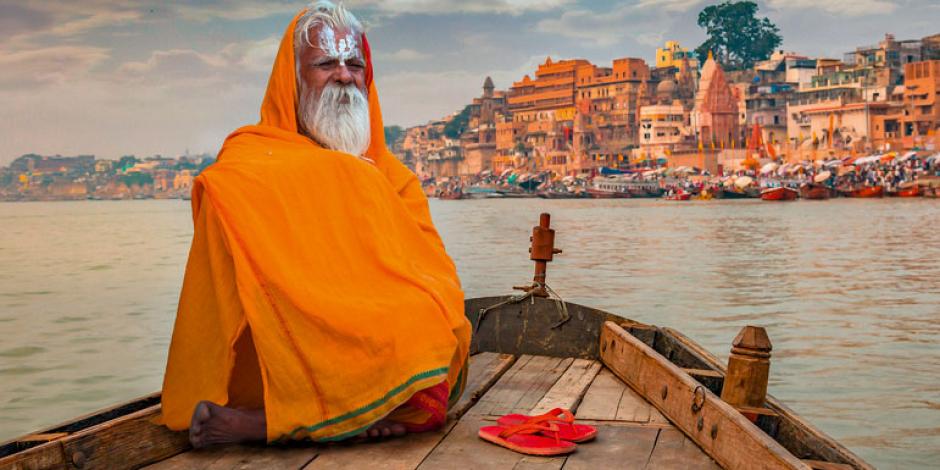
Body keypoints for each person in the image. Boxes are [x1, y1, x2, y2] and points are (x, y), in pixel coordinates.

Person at [159, 1, 471, 448]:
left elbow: (434, 277)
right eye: (326, 63)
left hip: (372, 330)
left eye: (355, 64)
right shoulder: (251, 160)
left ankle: (287, 423)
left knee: (433, 336)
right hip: (295, 337)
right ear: (292, 79)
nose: (344, 75)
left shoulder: (390, 174)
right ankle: (328, 416)